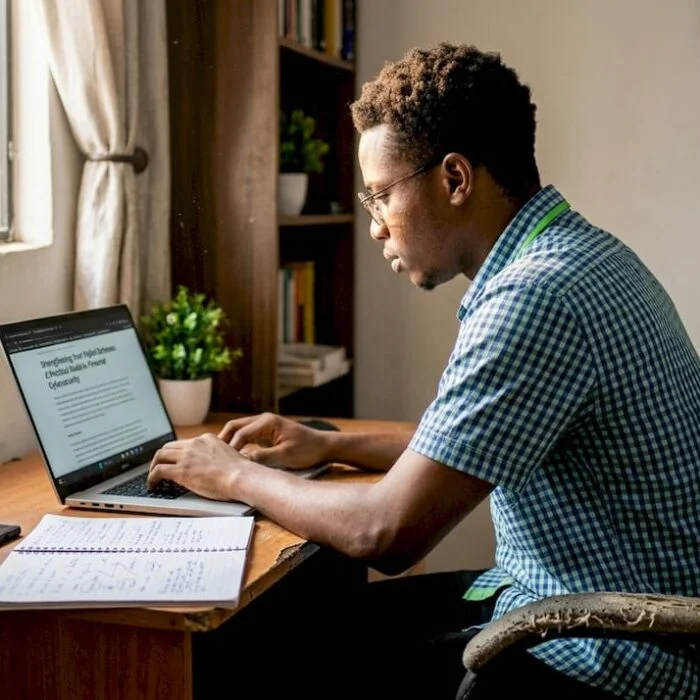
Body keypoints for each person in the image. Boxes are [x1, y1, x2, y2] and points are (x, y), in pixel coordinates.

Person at [148, 43, 700, 699]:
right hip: (571, 602)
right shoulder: (579, 254)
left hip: (611, 655)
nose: (376, 226)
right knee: (304, 631)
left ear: (456, 179)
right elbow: (463, 448)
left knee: (273, 656)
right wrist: (328, 444)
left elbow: (387, 532)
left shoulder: (534, 297)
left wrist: (232, 474)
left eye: (380, 195)